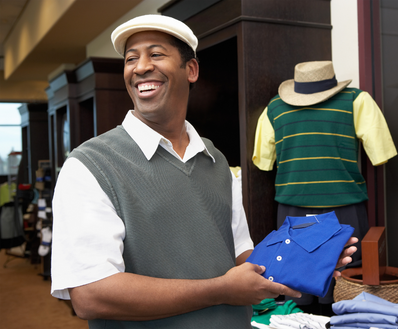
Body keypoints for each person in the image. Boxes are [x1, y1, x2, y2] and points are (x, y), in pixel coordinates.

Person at [50, 15, 357, 328]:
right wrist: (220, 290)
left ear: (191, 70)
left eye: (155, 54)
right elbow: (91, 295)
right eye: (131, 58)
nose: (140, 67)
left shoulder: (216, 160)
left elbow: (242, 257)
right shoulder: (88, 166)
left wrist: (304, 264)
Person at [252, 61, 397, 313]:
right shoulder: (357, 101)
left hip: (323, 206)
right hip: (318, 207)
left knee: (344, 278)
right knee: (302, 277)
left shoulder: (275, 109)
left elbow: (263, 161)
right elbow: (380, 150)